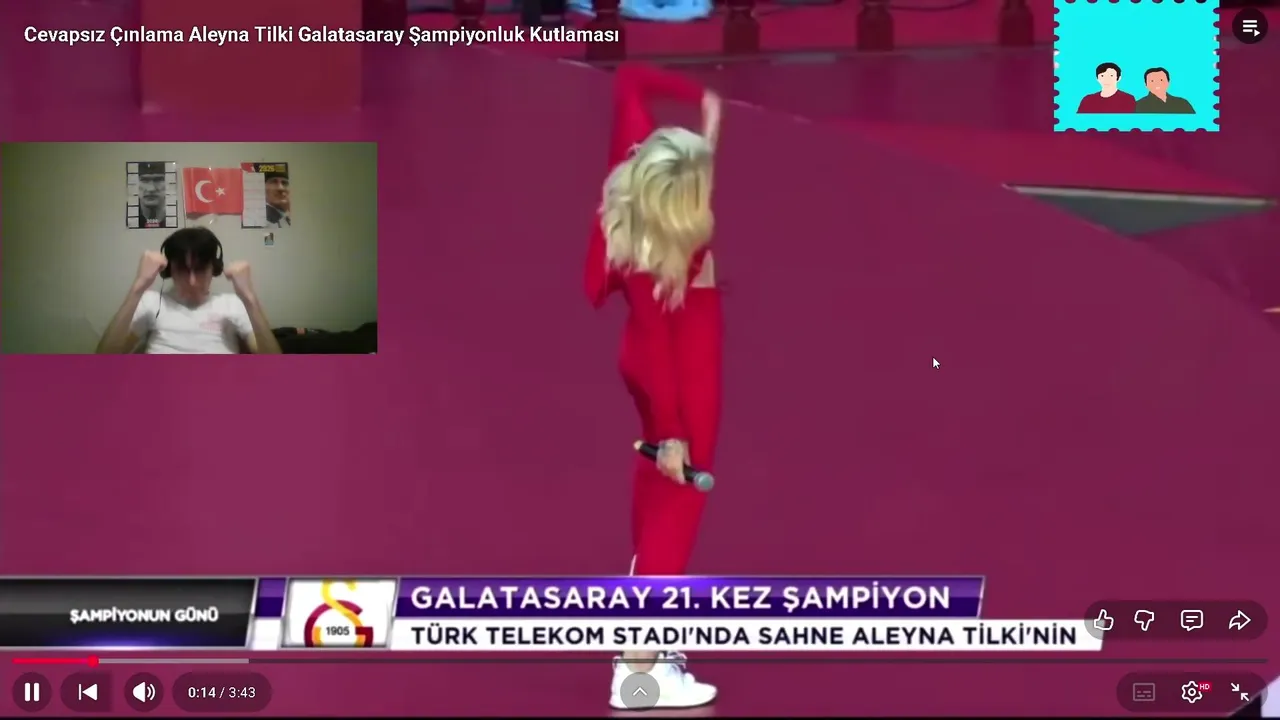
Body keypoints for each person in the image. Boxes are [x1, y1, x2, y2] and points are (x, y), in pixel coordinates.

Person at [584, 63, 722, 710]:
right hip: (681, 377)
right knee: (678, 507)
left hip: (647, 364)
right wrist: (672, 432)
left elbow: (629, 81)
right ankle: (638, 672)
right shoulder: (662, 260)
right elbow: (662, 349)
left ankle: (648, 612)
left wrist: (704, 107)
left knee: (657, 495)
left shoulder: (633, 169)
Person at [95, 227, 283, 355]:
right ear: (169, 270)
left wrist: (249, 298)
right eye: (183, 270)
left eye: (200, 270)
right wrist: (138, 287)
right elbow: (105, 358)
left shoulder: (233, 304)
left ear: (214, 268)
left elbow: (274, 366)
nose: (192, 281)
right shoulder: (151, 302)